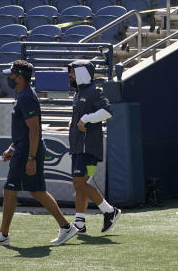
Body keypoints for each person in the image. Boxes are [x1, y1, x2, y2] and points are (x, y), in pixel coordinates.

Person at [0, 60, 80, 246]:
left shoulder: (26, 97)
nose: (8, 77)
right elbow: (24, 130)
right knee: (37, 191)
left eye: (11, 74)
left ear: (19, 77)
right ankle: (67, 227)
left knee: (10, 189)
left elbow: (34, 130)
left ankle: (3, 235)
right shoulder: (22, 95)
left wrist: (31, 158)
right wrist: (12, 147)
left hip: (28, 150)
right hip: (24, 148)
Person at [67, 59, 121, 235]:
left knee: (79, 183)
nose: (70, 75)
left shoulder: (93, 91)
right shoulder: (79, 92)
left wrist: (86, 119)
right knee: (81, 184)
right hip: (79, 147)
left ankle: (109, 210)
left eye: (72, 71)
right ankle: (80, 223)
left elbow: (108, 111)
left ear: (81, 73)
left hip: (87, 147)